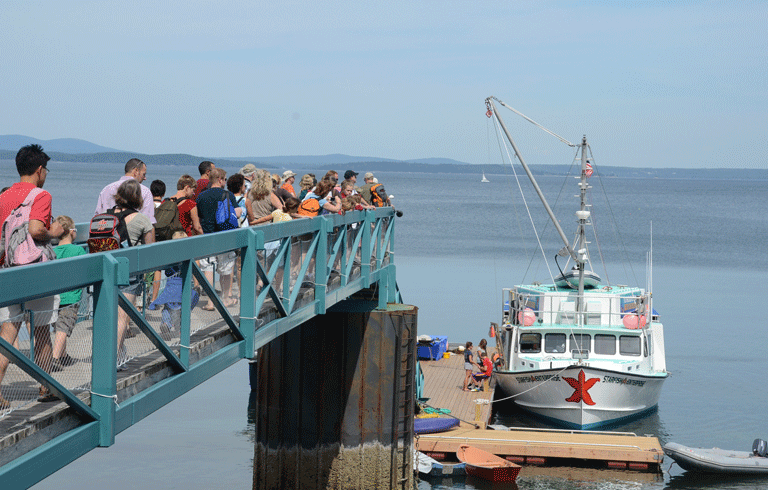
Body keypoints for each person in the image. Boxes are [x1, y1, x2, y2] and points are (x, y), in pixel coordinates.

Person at [0, 144, 65, 406]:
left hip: (9, 269)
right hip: (36, 270)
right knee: (41, 329)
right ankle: (45, 386)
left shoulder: (3, 197)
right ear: (39, 170)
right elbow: (38, 229)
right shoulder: (41, 195)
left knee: (8, 329)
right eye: (45, 170)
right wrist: (56, 233)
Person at [112, 180, 156, 368]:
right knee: (122, 317)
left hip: (104, 272)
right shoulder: (141, 219)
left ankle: (118, 353)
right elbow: (150, 250)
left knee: (108, 315)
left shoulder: (103, 216)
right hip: (128, 273)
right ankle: (112, 359)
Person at [195, 168, 240, 310]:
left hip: (207, 237)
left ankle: (210, 301)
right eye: (225, 179)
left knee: (208, 268)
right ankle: (225, 298)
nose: (225, 182)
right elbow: (237, 214)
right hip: (225, 237)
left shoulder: (201, 196)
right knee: (226, 270)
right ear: (220, 179)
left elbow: (200, 216)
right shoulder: (228, 194)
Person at [50, 215, 86, 371]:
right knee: (64, 328)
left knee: (58, 327)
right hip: (70, 296)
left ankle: (63, 355)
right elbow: (88, 269)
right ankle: (55, 358)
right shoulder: (78, 250)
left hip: (54, 296)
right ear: (72, 232)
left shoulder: (52, 251)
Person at [94, 158, 156, 224]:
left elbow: (97, 216)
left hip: (108, 231)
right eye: (143, 174)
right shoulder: (144, 191)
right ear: (136, 171)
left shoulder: (106, 189)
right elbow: (149, 221)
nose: (145, 178)